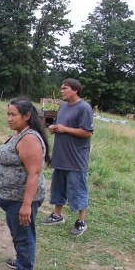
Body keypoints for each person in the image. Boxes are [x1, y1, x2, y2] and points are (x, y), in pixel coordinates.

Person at [0, 97, 50, 270]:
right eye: (7, 114)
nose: (9, 118)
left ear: (27, 116)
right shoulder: (20, 133)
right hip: (12, 199)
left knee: (24, 236)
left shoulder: (30, 138)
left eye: (13, 115)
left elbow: (34, 173)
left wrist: (26, 205)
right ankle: (21, 259)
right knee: (18, 233)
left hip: (21, 200)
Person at [42, 78, 94, 236]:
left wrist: (64, 129)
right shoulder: (63, 107)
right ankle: (57, 215)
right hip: (61, 156)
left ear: (75, 90)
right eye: (61, 88)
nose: (61, 91)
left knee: (78, 190)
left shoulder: (84, 108)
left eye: (65, 88)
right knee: (58, 188)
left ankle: (81, 222)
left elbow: (87, 132)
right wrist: (54, 128)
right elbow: (61, 127)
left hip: (76, 158)